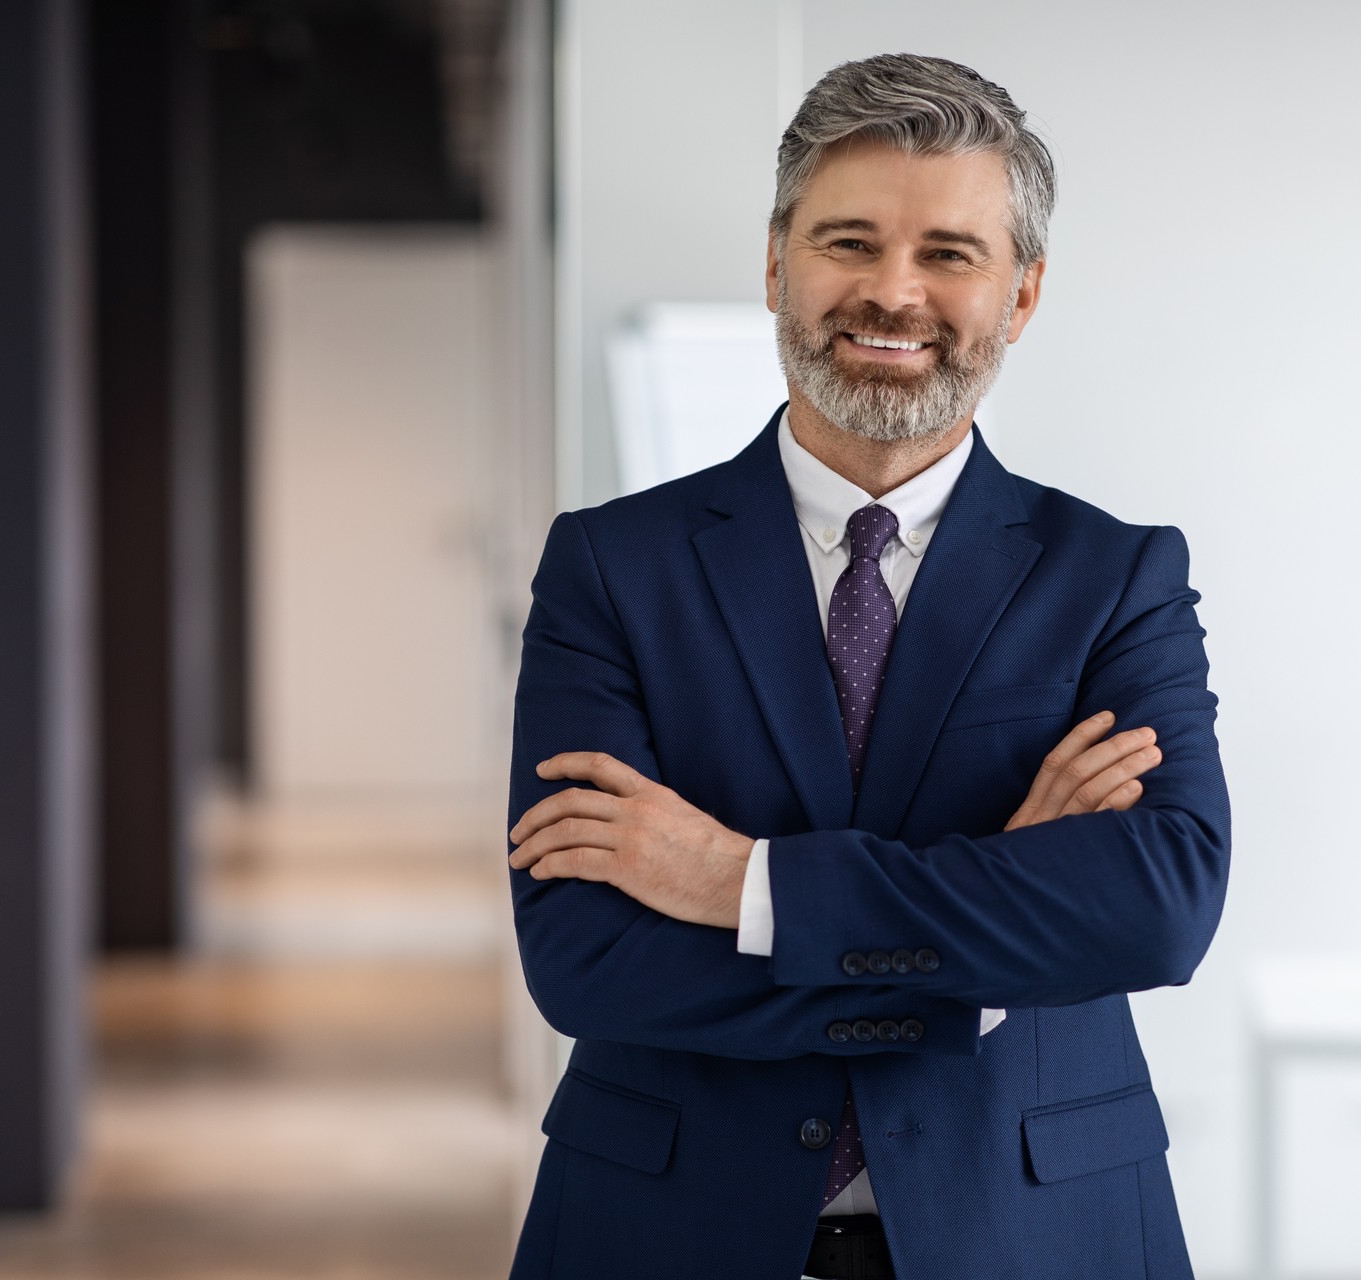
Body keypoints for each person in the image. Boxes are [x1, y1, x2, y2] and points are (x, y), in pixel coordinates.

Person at [503, 52, 1229, 1280]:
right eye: (850, 241)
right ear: (778, 259)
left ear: (1023, 292)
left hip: (1039, 1231)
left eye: (949, 252)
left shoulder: (1114, 575)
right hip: (667, 1229)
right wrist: (993, 933)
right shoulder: (611, 568)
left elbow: (1158, 908)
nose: (894, 293)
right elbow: (587, 956)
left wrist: (744, 884)